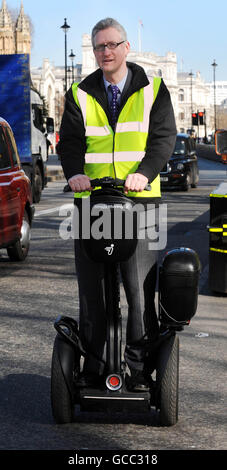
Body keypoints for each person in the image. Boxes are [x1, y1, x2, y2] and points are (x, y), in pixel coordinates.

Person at [57, 18, 177, 391]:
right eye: (99, 47)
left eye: (112, 45)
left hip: (142, 203)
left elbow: (163, 139)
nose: (105, 52)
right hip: (92, 204)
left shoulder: (153, 89)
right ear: (93, 52)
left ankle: (139, 371)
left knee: (140, 291)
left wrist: (145, 172)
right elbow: (70, 143)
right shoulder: (79, 93)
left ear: (126, 48)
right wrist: (74, 172)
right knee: (92, 293)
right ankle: (94, 369)